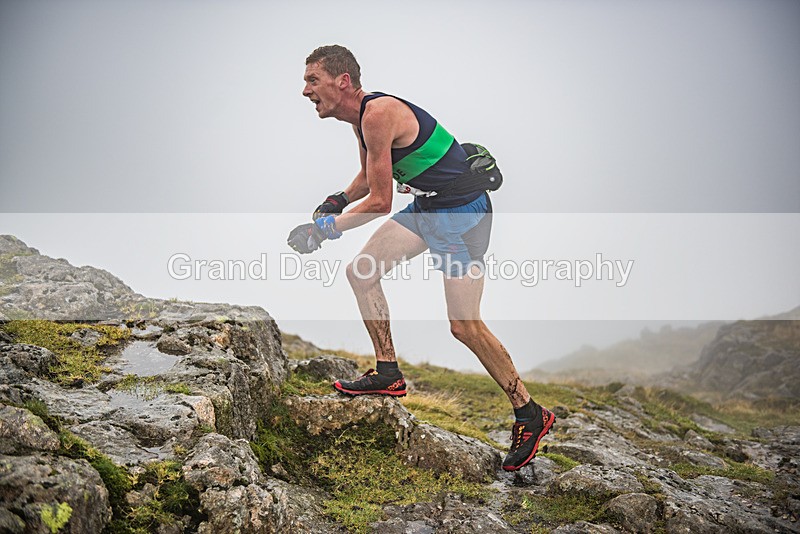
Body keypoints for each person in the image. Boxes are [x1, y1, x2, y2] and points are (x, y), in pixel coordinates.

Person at [287, 44, 554, 471]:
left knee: (464, 326)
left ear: (343, 81)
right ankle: (388, 373)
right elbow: (369, 176)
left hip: (461, 215)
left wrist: (324, 230)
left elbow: (380, 202)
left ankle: (529, 412)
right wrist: (336, 200)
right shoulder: (362, 121)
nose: (305, 91)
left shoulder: (377, 114)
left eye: (312, 80)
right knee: (362, 272)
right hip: (429, 207)